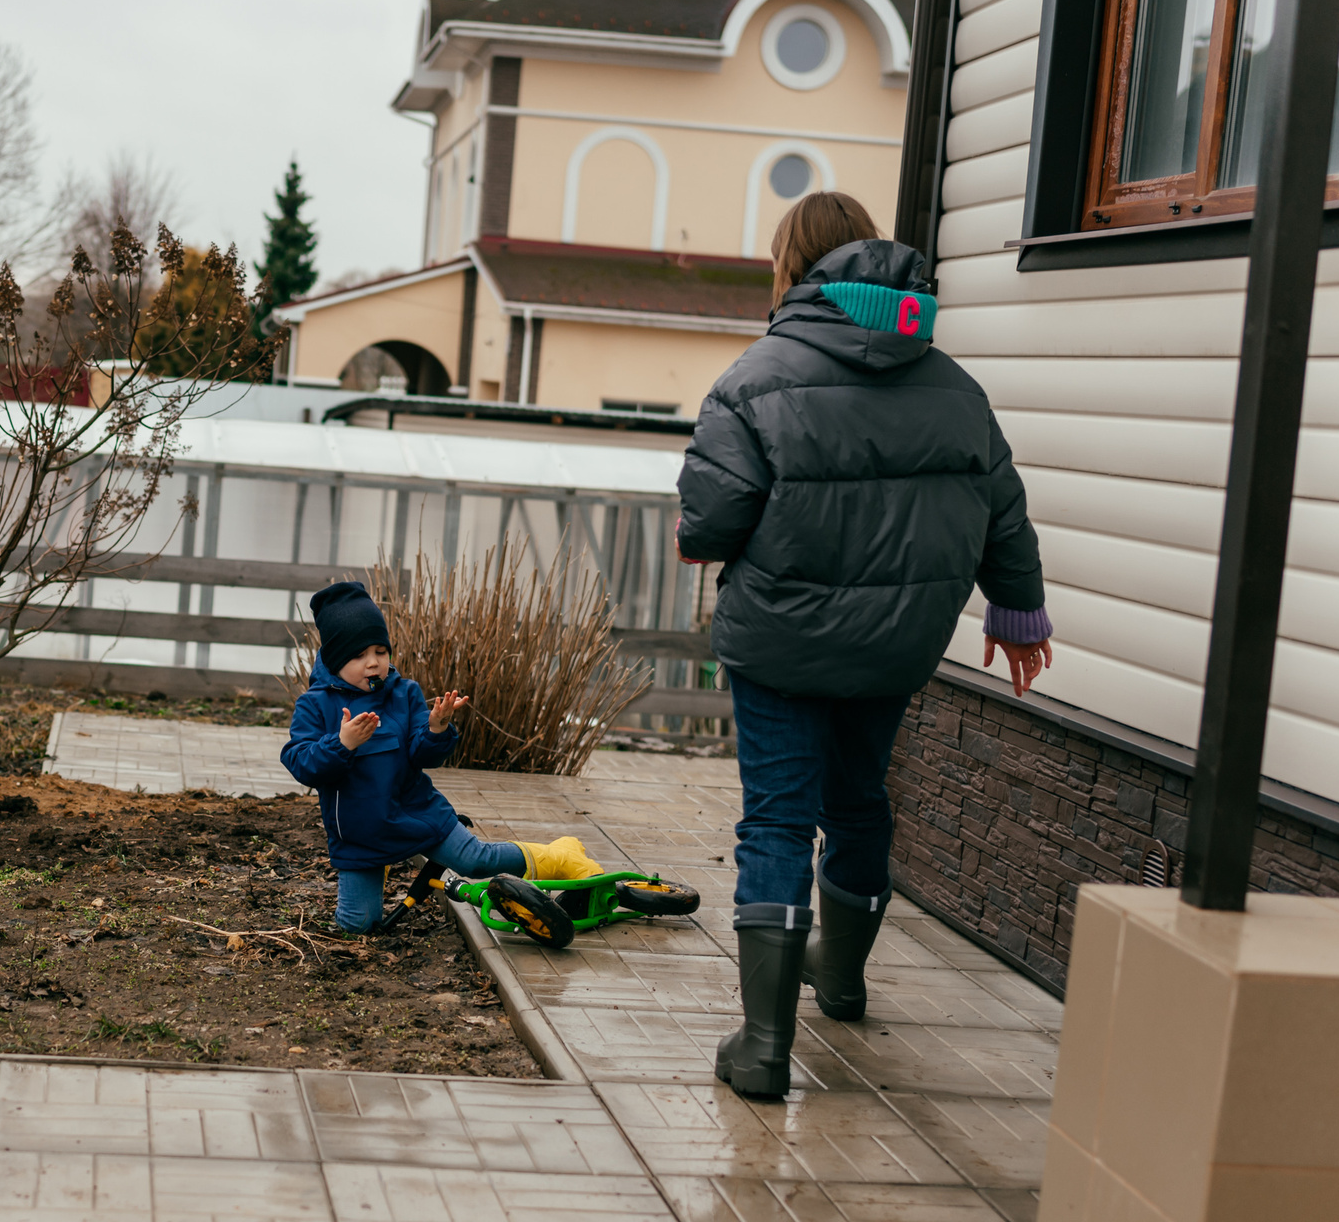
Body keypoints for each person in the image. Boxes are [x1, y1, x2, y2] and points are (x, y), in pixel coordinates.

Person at [678, 191, 1052, 1100]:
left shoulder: (754, 377)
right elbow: (1003, 509)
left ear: (791, 269)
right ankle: (838, 978)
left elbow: (712, 523)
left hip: (781, 642)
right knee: (858, 802)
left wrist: (708, 529)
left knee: (775, 818)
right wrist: (1019, 617)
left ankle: (764, 1046)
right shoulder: (956, 387)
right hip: (896, 644)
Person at [282, 580, 606, 933]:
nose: (373, 663)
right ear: (334, 658)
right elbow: (300, 762)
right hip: (360, 834)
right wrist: (341, 743)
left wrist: (436, 727)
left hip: (418, 813)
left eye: (380, 650)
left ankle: (561, 855)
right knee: (358, 927)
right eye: (358, 656)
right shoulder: (315, 704)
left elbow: (423, 754)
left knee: (478, 860)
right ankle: (373, 890)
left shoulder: (403, 693)